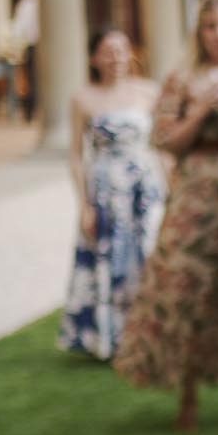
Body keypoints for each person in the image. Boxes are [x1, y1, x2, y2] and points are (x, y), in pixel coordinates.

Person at [114, 0, 218, 431]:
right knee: (185, 288)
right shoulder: (181, 78)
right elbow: (165, 141)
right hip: (196, 195)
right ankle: (187, 393)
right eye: (211, 26)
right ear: (199, 33)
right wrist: (202, 110)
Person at [57, 28, 163, 360]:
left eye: (121, 50)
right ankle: (109, 335)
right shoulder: (83, 98)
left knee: (148, 254)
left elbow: (163, 143)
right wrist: (84, 204)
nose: (116, 58)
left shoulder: (150, 92)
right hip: (107, 190)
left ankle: (152, 334)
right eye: (108, 51)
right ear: (94, 58)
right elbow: (76, 155)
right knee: (111, 257)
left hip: (144, 186)